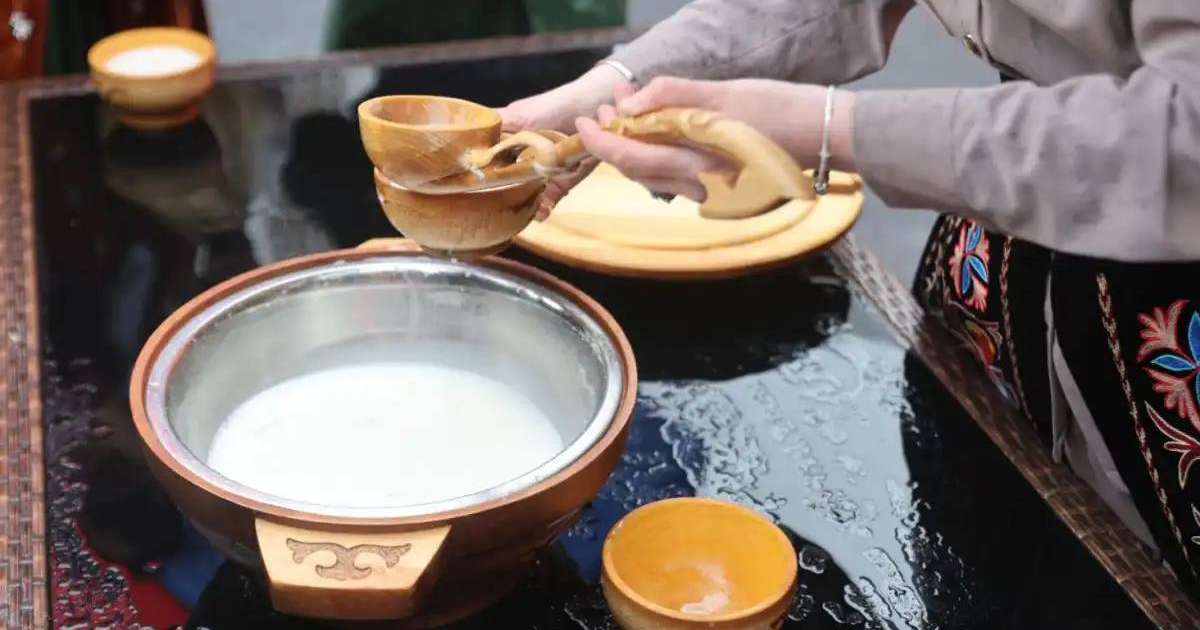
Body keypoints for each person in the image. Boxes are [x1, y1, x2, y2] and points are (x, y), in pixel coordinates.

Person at [500, 0, 1200, 597]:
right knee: (977, 565)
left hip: (1171, 342)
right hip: (993, 281)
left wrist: (835, 131)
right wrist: (614, 88)